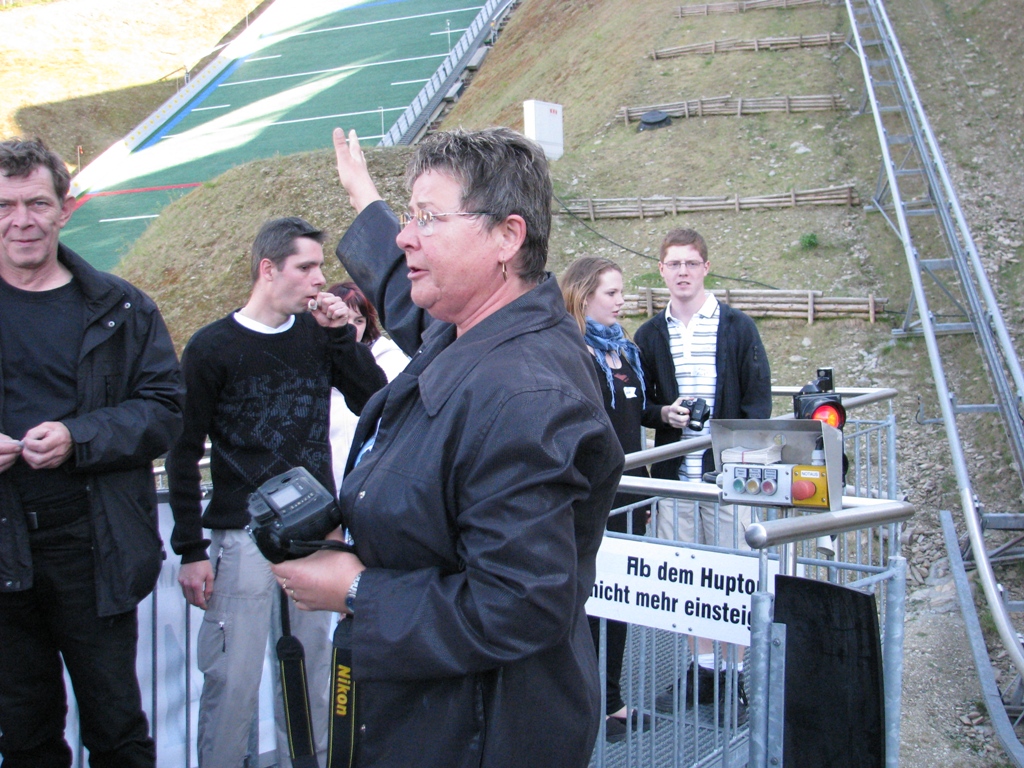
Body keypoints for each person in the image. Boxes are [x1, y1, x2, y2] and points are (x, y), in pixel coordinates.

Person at [270, 126, 625, 768]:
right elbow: (403, 295)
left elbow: (518, 604)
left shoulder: (526, 395)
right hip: (437, 720)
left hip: (482, 736)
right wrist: (364, 198)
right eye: (409, 217)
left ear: (507, 237)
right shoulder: (468, 330)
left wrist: (357, 591)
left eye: (428, 218)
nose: (407, 237)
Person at [165, 217, 387, 768]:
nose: (319, 279)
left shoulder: (318, 336)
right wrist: (191, 549)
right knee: (231, 681)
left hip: (315, 533)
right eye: (306, 267)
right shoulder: (211, 347)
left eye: (319, 267)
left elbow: (375, 401)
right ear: (269, 269)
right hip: (243, 537)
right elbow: (182, 452)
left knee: (313, 677)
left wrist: (341, 337)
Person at [0, 138, 184, 767]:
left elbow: (165, 411)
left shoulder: (121, 307)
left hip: (92, 546)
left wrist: (77, 437)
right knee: (23, 735)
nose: (21, 220)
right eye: (4, 206)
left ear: (65, 207)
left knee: (116, 728)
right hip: (4, 553)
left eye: (36, 203)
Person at [634, 227, 771, 713]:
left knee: (732, 579)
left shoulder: (738, 327)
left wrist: (740, 459)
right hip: (676, 480)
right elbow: (642, 404)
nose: (683, 272)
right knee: (686, 581)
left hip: (726, 480)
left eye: (691, 263)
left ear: (706, 268)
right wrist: (664, 414)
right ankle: (703, 672)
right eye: (674, 264)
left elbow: (757, 401)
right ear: (661, 270)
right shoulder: (649, 334)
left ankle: (733, 681)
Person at [560, 256, 652, 743]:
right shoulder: (572, 353)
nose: (622, 301)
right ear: (583, 294)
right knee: (587, 600)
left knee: (619, 600)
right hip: (594, 499)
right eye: (611, 293)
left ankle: (610, 699)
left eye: (621, 292)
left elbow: (633, 416)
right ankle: (582, 700)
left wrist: (665, 414)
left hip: (632, 494)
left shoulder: (623, 349)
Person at [324, 281, 407, 490]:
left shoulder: (390, 362)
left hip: (374, 484)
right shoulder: (312, 364)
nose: (351, 327)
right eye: (343, 318)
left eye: (359, 320)